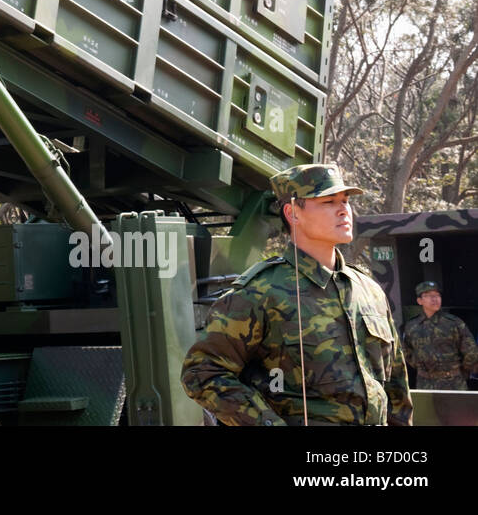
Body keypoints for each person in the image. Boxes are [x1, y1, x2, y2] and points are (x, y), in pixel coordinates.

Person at [182, 163, 412, 426]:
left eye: (345, 201)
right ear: (293, 213)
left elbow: (395, 382)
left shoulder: (368, 290)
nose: (343, 210)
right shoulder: (261, 292)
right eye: (328, 201)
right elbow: (203, 372)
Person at [401, 281, 478, 390]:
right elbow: (406, 352)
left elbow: (471, 353)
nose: (434, 299)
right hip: (425, 384)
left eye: (437, 295)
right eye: (428, 296)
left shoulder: (454, 323)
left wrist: (459, 372)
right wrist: (423, 368)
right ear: (419, 300)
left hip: (453, 383)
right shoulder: (412, 326)